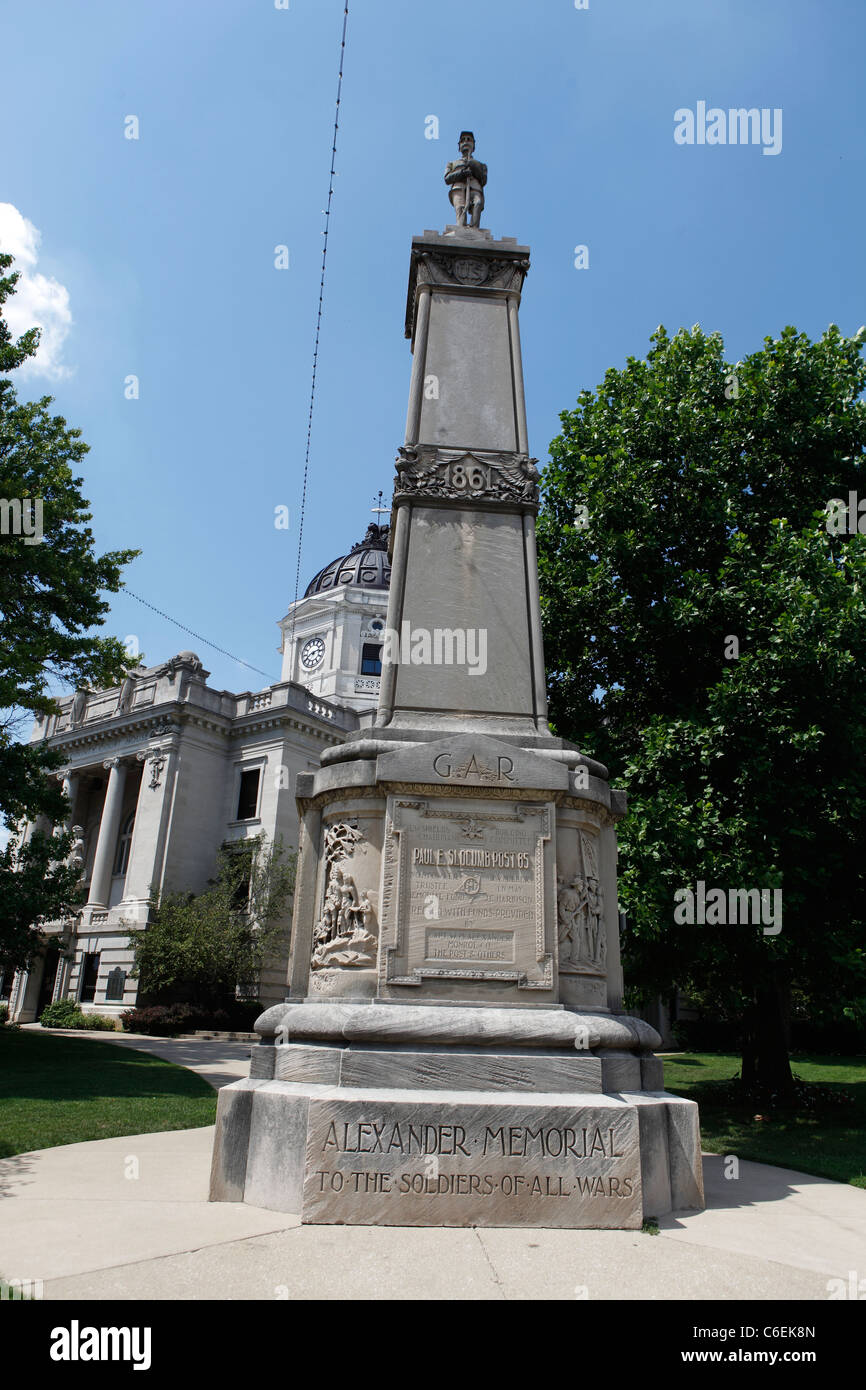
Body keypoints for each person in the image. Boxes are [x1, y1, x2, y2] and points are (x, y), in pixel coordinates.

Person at [444, 131, 487, 229]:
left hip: (475, 188)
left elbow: (483, 180)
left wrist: (473, 165)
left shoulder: (481, 165)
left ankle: (474, 230)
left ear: (473, 145)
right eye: (463, 140)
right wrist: (461, 173)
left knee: (478, 203)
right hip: (458, 188)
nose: (466, 142)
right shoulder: (451, 164)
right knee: (460, 209)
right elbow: (447, 178)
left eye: (469, 140)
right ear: (459, 146)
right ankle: (461, 228)